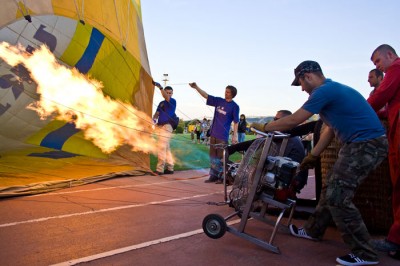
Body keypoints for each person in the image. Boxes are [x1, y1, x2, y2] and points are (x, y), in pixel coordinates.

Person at [264, 60, 388, 266]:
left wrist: (266, 126)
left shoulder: (323, 92)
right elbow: (329, 130)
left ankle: (365, 253)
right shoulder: (332, 91)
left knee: (337, 196)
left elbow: (294, 120)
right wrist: (312, 155)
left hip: (366, 144)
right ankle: (314, 230)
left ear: (309, 76)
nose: (302, 89)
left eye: (301, 84)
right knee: (331, 186)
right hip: (356, 144)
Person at [367, 44, 400, 260]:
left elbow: (381, 95)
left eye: (378, 61)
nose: (379, 67)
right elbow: (389, 105)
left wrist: (357, 109)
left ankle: (396, 240)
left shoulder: (396, 68)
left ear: (390, 55)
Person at [189, 82, 239, 183]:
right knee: (213, 157)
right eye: (225, 91)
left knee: (222, 157)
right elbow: (205, 95)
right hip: (213, 134)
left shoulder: (235, 106)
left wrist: (235, 136)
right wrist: (196, 87)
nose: (225, 93)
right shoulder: (219, 101)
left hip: (222, 136)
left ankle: (224, 176)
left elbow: (236, 122)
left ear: (232, 94)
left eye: (228, 92)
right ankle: (214, 175)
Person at [152, 83, 177, 175]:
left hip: (167, 126)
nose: (168, 94)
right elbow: (157, 113)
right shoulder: (161, 103)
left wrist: (160, 88)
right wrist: (153, 121)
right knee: (166, 147)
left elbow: (166, 97)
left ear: (172, 94)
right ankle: (170, 167)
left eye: (170, 93)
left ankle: (159, 169)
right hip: (160, 126)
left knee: (161, 147)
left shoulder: (173, 101)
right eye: (167, 92)